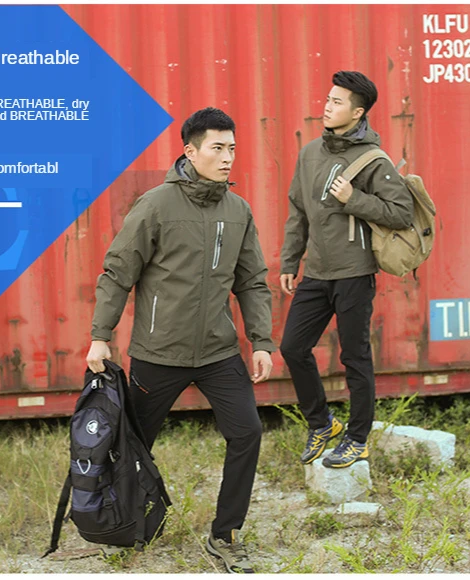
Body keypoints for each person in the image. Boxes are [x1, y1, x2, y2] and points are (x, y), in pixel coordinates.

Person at [86, 107, 275, 574]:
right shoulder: (155, 206)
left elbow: (252, 281)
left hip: (218, 351)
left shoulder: (238, 210)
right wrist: (100, 336)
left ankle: (225, 534)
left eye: (232, 148)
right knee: (133, 444)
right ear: (190, 151)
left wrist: (262, 340)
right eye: (218, 148)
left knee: (247, 433)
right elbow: (118, 273)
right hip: (159, 353)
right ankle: (121, 523)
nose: (228, 157)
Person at [279, 71, 413, 468]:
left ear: (357, 113)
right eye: (328, 98)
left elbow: (401, 213)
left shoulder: (373, 159)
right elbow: (298, 212)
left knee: (355, 357)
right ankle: (322, 423)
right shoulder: (310, 154)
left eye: (337, 102)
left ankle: (357, 439)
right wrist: (290, 260)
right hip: (316, 273)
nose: (327, 106)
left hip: (354, 273)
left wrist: (354, 198)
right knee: (292, 347)